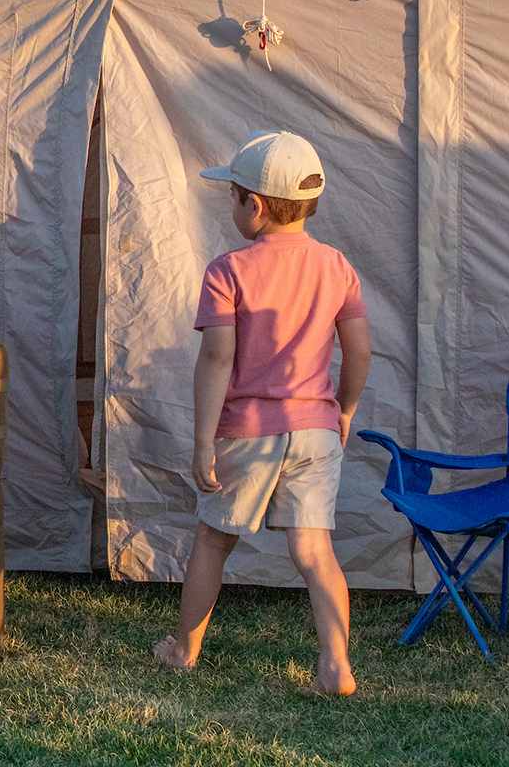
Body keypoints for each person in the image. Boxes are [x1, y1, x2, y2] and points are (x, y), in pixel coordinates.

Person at [152, 130, 369, 696]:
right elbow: (359, 352)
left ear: (255, 206)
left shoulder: (228, 271)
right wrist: (344, 410)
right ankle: (336, 666)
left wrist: (204, 441)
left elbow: (217, 359)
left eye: (233, 196)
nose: (231, 206)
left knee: (212, 541)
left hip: (247, 432)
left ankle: (184, 651)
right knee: (315, 551)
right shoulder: (337, 267)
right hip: (316, 430)